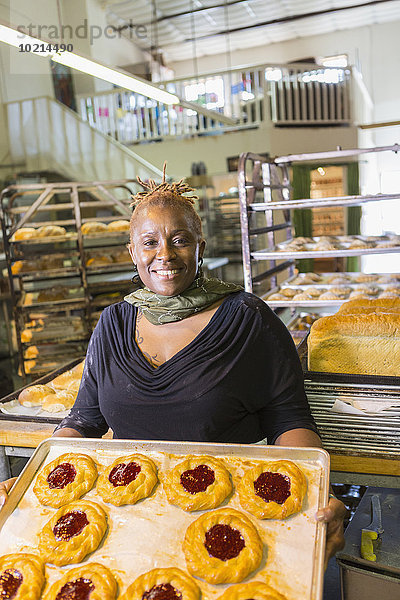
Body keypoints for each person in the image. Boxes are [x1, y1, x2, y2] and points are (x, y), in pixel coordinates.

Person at [0, 167, 346, 568]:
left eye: (179, 240)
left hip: (231, 523)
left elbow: (289, 420)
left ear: (200, 246)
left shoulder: (247, 319)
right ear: (132, 252)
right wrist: (31, 479)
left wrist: (320, 496)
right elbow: (85, 418)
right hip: (129, 525)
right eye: (150, 242)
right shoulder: (113, 323)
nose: (164, 255)